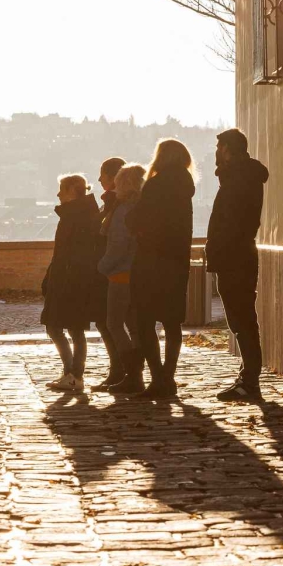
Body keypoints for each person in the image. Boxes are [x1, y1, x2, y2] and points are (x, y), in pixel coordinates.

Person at [206, 128, 270, 401]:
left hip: (235, 257)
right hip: (234, 255)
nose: (216, 152)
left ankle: (250, 381)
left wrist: (221, 248)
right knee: (241, 319)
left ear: (229, 149)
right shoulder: (239, 177)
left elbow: (232, 222)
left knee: (242, 319)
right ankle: (248, 377)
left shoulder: (240, 179)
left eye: (220, 147)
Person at [128, 138, 196, 399]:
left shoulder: (155, 185)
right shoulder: (185, 188)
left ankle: (158, 378)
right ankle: (169, 376)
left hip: (151, 261)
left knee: (145, 321)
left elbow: (137, 219)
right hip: (176, 262)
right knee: (171, 322)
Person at [41, 174, 102, 393]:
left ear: (73, 191)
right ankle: (71, 373)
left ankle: (74, 374)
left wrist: (60, 276)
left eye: (62, 189)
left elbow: (75, 253)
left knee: (68, 327)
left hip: (72, 279)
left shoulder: (79, 216)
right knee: (61, 327)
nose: (58, 194)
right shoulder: (76, 214)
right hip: (65, 277)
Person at [97, 163, 145, 395]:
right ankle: (137, 375)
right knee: (135, 327)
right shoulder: (142, 207)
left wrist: (102, 267)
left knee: (114, 324)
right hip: (138, 274)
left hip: (120, 275)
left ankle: (132, 373)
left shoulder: (123, 210)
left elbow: (117, 245)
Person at [91, 157, 127, 390]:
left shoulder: (116, 202)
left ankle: (121, 370)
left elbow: (115, 240)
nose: (99, 179)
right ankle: (120, 369)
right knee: (108, 323)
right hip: (110, 269)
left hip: (113, 271)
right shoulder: (111, 201)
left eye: (102, 174)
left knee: (111, 323)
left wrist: (102, 265)